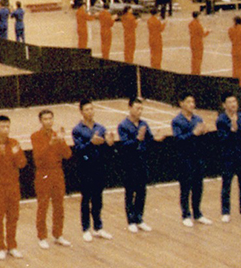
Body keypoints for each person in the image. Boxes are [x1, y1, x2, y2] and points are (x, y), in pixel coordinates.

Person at [0, 114, 27, 259]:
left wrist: (14, 155)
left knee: (13, 217)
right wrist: (0, 155)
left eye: (8, 126)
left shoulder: (14, 143)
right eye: (2, 127)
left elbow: (22, 163)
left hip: (13, 185)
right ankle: (0, 247)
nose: (6, 130)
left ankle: (12, 246)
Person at [71, 100, 114, 241]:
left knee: (98, 198)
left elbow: (106, 149)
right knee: (86, 198)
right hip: (85, 167)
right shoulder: (77, 130)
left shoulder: (100, 128)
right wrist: (91, 143)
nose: (90, 112)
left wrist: (109, 143)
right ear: (81, 112)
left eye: (91, 109)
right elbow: (77, 149)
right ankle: (85, 229)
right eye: (87, 109)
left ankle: (98, 227)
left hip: (99, 166)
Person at [31, 109, 72, 248]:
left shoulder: (57, 135)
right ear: (41, 121)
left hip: (57, 173)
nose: (48, 121)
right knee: (43, 205)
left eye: (50, 119)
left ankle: (58, 234)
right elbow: (38, 156)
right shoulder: (35, 136)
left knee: (59, 205)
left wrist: (61, 141)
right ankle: (42, 236)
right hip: (43, 173)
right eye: (45, 119)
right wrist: (50, 143)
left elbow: (67, 155)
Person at [116, 98, 157, 232]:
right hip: (129, 162)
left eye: (141, 109)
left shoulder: (143, 123)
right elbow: (124, 144)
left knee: (141, 190)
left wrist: (155, 138)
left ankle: (139, 218)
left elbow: (149, 138)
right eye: (137, 108)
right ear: (130, 108)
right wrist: (137, 139)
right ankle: (131, 220)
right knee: (130, 191)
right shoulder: (123, 125)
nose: (139, 111)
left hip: (142, 161)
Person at [171, 95, 212, 227]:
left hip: (197, 157)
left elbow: (202, 139)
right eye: (188, 102)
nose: (191, 104)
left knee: (198, 186)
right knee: (185, 187)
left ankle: (198, 213)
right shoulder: (177, 121)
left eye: (193, 102)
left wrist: (204, 133)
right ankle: (185, 214)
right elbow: (178, 139)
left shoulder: (198, 119)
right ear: (181, 103)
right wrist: (193, 133)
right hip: (184, 157)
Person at [217, 95, 241, 222]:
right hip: (228, 156)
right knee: (227, 184)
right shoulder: (221, 120)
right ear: (224, 105)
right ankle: (225, 211)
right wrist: (232, 130)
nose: (233, 104)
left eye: (234, 101)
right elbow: (222, 139)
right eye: (230, 102)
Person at [227, 17, 241, 86]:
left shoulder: (230, 29)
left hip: (234, 49)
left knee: (235, 67)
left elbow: (230, 37)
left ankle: (235, 83)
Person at [187, 11, 207, 75]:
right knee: (198, 59)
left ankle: (193, 71)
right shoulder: (198, 25)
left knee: (194, 58)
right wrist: (208, 32)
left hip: (192, 42)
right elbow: (202, 34)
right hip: (198, 43)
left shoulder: (190, 24)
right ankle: (197, 72)